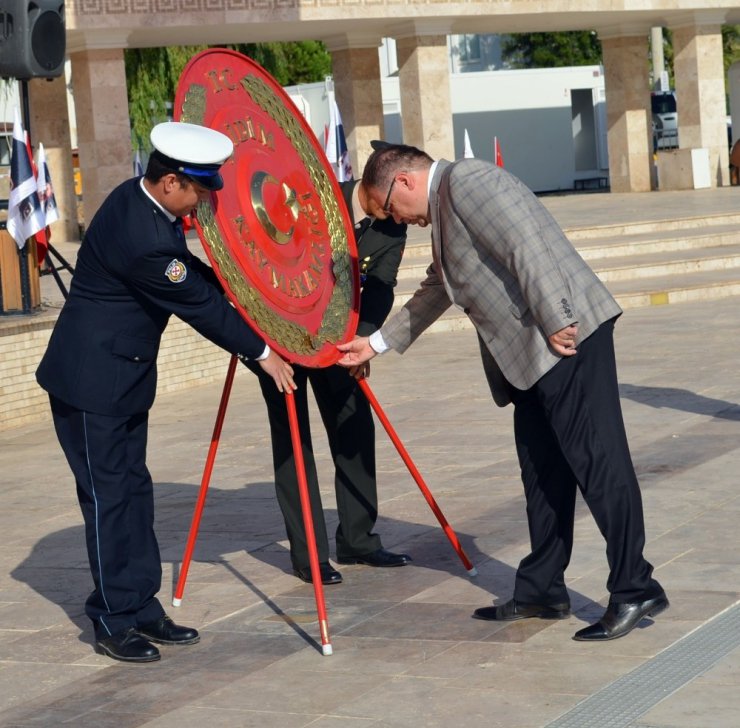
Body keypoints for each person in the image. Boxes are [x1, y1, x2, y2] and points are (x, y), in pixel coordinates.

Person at [337, 143, 668, 642]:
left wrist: (558, 317)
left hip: (566, 338)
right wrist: (375, 344)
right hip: (530, 358)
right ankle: (542, 589)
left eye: (387, 208)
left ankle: (634, 586)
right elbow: (438, 288)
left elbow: (526, 243)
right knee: (542, 472)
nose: (396, 221)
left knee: (598, 463)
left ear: (402, 181)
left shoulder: (469, 182)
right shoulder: (446, 205)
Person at [36, 121, 296, 663]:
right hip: (91, 384)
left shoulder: (146, 203)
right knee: (109, 499)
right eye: (200, 192)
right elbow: (197, 304)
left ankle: (141, 605)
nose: (203, 203)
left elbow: (195, 278)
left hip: (122, 377)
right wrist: (262, 352)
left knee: (135, 490)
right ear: (172, 181)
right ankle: (112, 616)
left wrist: (239, 285)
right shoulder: (145, 238)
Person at [246, 158, 411, 585]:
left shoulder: (392, 224)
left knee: (354, 425)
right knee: (293, 438)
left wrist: (365, 342)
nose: (398, 215)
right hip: (281, 335)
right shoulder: (314, 196)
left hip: (338, 338)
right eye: (392, 204)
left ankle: (358, 538)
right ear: (374, 186)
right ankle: (309, 554)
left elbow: (380, 286)